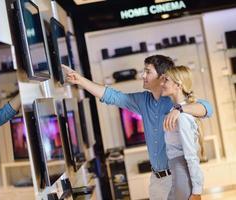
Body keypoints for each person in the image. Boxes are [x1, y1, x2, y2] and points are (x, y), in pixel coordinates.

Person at [62, 55, 212, 200]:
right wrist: (80, 80)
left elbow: (207, 108)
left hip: (176, 177)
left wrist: (179, 109)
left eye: (148, 71)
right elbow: (112, 96)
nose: (143, 75)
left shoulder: (174, 100)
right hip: (156, 179)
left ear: (162, 77)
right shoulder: (143, 100)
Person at [161, 66, 204, 200]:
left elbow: (191, 156)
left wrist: (197, 191)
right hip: (177, 173)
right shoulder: (176, 111)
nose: (162, 84)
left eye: (166, 80)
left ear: (178, 85)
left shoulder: (182, 117)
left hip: (182, 174)